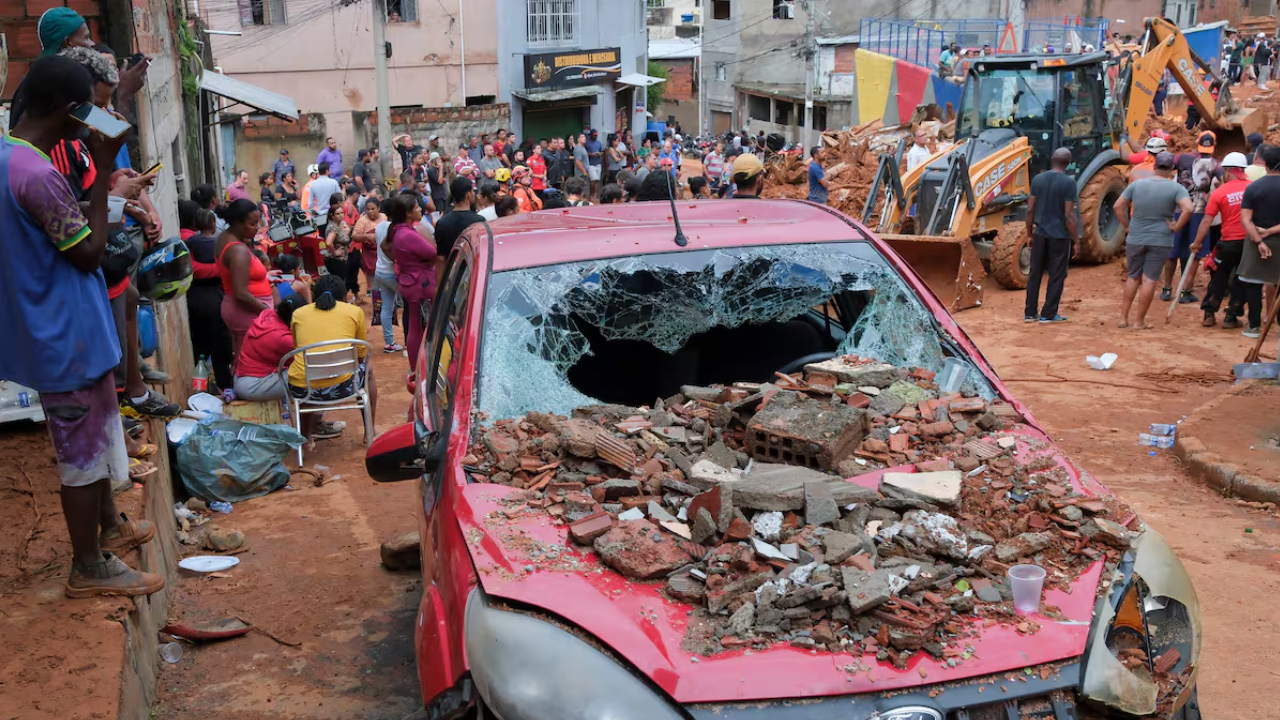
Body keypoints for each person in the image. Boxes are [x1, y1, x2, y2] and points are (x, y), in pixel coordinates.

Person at [0, 55, 163, 597]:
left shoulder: (11, 157)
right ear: (71, 112)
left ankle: (110, 527)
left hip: (60, 323)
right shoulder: (38, 175)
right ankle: (89, 566)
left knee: (98, 430)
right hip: (63, 330)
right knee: (80, 450)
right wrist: (102, 173)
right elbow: (90, 253)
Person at [288, 273, 377, 440]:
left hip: (305, 389)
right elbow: (360, 354)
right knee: (368, 371)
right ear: (344, 296)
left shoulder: (298, 314)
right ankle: (369, 431)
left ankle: (304, 438)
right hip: (343, 385)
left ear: (315, 295)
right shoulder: (354, 311)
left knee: (304, 374)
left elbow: (297, 348)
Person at [1114, 152, 1194, 330]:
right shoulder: (1176, 188)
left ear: (1154, 165)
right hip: (1160, 238)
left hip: (1136, 236)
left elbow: (1118, 206)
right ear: (1172, 168)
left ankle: (1123, 318)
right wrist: (1176, 226)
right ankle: (1139, 321)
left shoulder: (1138, 185)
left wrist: (1127, 226)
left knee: (1133, 276)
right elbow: (1188, 208)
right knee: (1149, 279)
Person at [384, 193, 442, 373]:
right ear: (408, 213)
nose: (420, 209)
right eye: (417, 207)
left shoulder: (396, 230)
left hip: (410, 281)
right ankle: (426, 366)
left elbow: (386, 249)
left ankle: (415, 367)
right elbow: (433, 253)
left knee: (415, 326)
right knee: (430, 325)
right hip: (421, 283)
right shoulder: (408, 233)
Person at [1194, 151, 1253, 328]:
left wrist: (1197, 242)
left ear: (1228, 171)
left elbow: (1206, 221)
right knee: (1241, 279)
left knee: (1218, 278)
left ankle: (1209, 314)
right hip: (1249, 243)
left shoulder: (1220, 192)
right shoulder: (1253, 188)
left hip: (1227, 243)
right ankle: (1231, 317)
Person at [1164, 131, 1222, 304]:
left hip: (1178, 208)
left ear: (1197, 143)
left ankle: (1166, 289)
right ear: (1214, 145)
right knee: (1194, 251)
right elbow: (1223, 182)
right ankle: (1185, 291)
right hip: (1199, 211)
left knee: (1172, 251)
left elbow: (1166, 166)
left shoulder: (1181, 158)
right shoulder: (1215, 164)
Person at [182, 204, 235, 390]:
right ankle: (225, 385)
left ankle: (201, 386)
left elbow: (189, 268)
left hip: (194, 297)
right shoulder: (221, 243)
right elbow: (228, 268)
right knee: (221, 344)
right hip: (217, 298)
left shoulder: (189, 243)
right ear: (213, 225)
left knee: (199, 342)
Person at [1024, 149, 1080, 323]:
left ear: (1052, 159)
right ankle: (1048, 314)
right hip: (1060, 236)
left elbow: (1030, 209)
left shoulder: (1038, 179)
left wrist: (1029, 234)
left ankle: (1030, 313)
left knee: (1035, 273)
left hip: (1040, 234)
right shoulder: (1069, 183)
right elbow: (1069, 215)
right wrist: (1076, 240)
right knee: (1057, 274)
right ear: (1068, 162)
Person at [217, 199, 275, 354]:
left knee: (242, 359)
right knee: (252, 362)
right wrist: (269, 313)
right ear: (237, 223)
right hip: (246, 312)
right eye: (252, 224)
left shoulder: (226, 237)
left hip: (240, 310)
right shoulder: (238, 251)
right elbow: (241, 294)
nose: (256, 228)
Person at [1237, 144, 1280, 338]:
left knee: (1252, 282)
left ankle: (1253, 325)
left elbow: (1245, 219)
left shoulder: (1253, 187)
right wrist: (1270, 232)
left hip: (1254, 242)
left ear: (1266, 166)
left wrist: (1259, 240)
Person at [233, 298, 298, 401]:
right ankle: (310, 413)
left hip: (244, 379)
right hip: (253, 386)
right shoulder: (283, 338)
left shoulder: (268, 314)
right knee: (308, 372)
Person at [368, 198, 405, 353]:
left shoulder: (380, 227)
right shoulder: (397, 228)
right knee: (410, 307)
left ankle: (389, 342)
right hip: (394, 273)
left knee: (386, 307)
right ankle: (410, 343)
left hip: (380, 271)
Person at [353, 193, 382, 301]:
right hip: (370, 254)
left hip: (383, 253)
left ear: (379, 208)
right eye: (368, 209)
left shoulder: (384, 217)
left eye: (373, 209)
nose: (370, 211)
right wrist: (366, 236)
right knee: (375, 284)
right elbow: (354, 236)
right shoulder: (362, 221)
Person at [322, 194, 353, 295]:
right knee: (339, 284)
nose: (341, 215)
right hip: (336, 260)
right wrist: (335, 252)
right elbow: (328, 242)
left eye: (342, 213)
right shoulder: (333, 227)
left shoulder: (338, 225)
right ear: (332, 216)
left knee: (340, 283)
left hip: (339, 260)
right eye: (338, 214)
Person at [308, 162, 341, 231]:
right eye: (329, 170)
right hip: (332, 215)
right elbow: (340, 198)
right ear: (327, 171)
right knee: (334, 236)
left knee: (322, 238)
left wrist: (311, 216)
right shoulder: (333, 182)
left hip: (320, 216)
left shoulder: (313, 184)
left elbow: (310, 203)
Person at [585, 129, 604, 197]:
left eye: (596, 135)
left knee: (597, 180)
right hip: (590, 164)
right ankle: (591, 195)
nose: (596, 136)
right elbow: (584, 153)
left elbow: (602, 152)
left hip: (598, 163)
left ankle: (595, 195)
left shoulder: (599, 143)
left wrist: (599, 154)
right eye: (594, 135)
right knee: (593, 180)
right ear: (591, 135)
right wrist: (591, 154)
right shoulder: (586, 143)